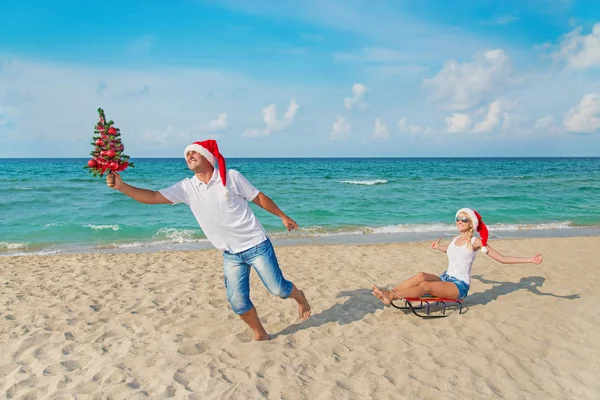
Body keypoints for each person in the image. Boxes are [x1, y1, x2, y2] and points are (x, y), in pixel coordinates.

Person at [106, 139, 311, 341]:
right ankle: (260, 333)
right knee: (238, 302)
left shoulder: (231, 177)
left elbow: (259, 197)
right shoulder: (187, 188)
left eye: (193, 153)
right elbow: (152, 197)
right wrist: (122, 187)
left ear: (207, 157)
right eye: (186, 155)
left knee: (279, 289)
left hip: (256, 245)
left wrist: (283, 216)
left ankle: (299, 297)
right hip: (230, 254)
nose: (189, 157)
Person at [372, 208, 544, 305]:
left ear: (471, 224)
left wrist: (530, 259)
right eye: (457, 219)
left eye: (464, 219)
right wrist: (439, 247)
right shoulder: (455, 239)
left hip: (459, 286)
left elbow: (502, 258)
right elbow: (451, 252)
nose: (459, 221)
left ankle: (392, 295)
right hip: (445, 277)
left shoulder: (476, 242)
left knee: (425, 285)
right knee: (421, 275)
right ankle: (390, 292)